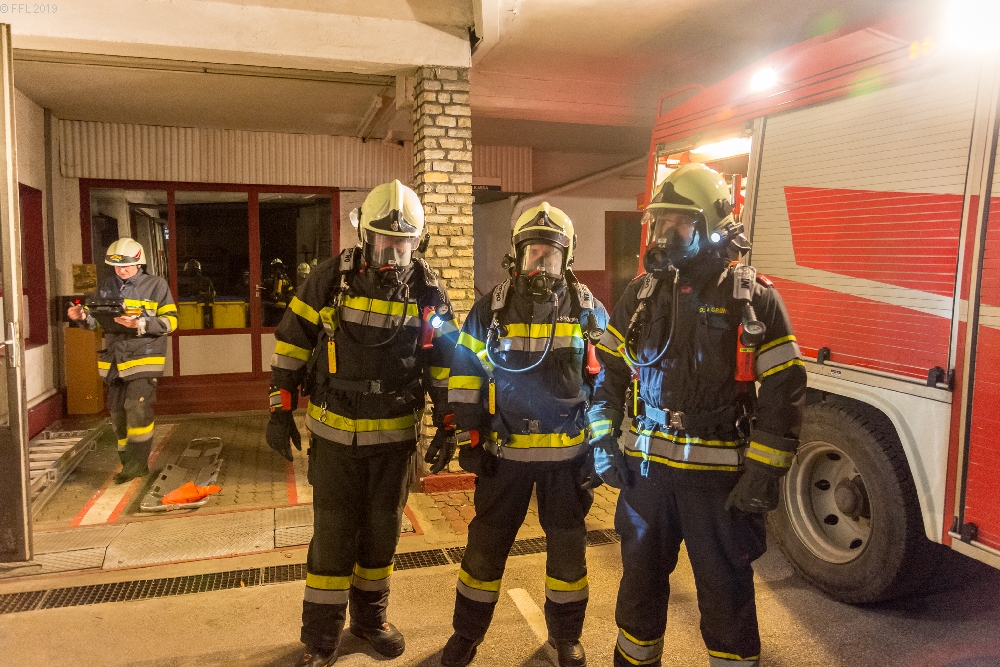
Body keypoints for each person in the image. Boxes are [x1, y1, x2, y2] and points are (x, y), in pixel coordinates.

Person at [586, 163, 807, 667]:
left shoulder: (750, 298)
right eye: (659, 222)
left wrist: (764, 471)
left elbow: (785, 388)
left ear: (711, 226)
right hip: (647, 479)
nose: (665, 234)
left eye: (679, 223)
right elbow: (610, 374)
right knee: (638, 594)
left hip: (719, 484)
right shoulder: (641, 294)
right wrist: (601, 441)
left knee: (727, 598)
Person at [266, 180, 459, 667]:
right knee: (332, 537)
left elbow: (443, 364)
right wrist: (279, 407)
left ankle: (370, 622)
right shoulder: (330, 279)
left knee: (381, 536)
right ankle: (321, 637)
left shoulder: (429, 293)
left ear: (417, 242)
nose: (393, 253)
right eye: (384, 241)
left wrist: (449, 423)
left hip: (394, 440)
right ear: (365, 237)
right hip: (334, 437)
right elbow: (292, 342)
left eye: (403, 244)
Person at [442, 202, 607, 667]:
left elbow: (609, 385)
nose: (540, 263)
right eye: (532, 252)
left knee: (568, 555)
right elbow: (465, 378)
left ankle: (566, 638)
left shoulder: (589, 311)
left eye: (549, 255)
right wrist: (469, 440)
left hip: (568, 460)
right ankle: (466, 635)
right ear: (516, 255)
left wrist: (600, 449)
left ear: (566, 258)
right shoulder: (490, 309)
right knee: (485, 548)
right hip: (504, 458)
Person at [67, 237, 178, 484]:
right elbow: (97, 323)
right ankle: (127, 462)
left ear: (139, 263)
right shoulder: (107, 286)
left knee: (136, 409)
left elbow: (171, 322)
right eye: (117, 266)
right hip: (114, 362)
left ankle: (138, 465)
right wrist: (81, 317)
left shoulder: (156, 286)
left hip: (143, 359)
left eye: (126, 265)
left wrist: (140, 323)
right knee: (117, 414)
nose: (122, 270)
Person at [177, 258, 215, 328]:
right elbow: (212, 293)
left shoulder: (181, 281)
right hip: (200, 313)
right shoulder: (206, 280)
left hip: (186, 314)